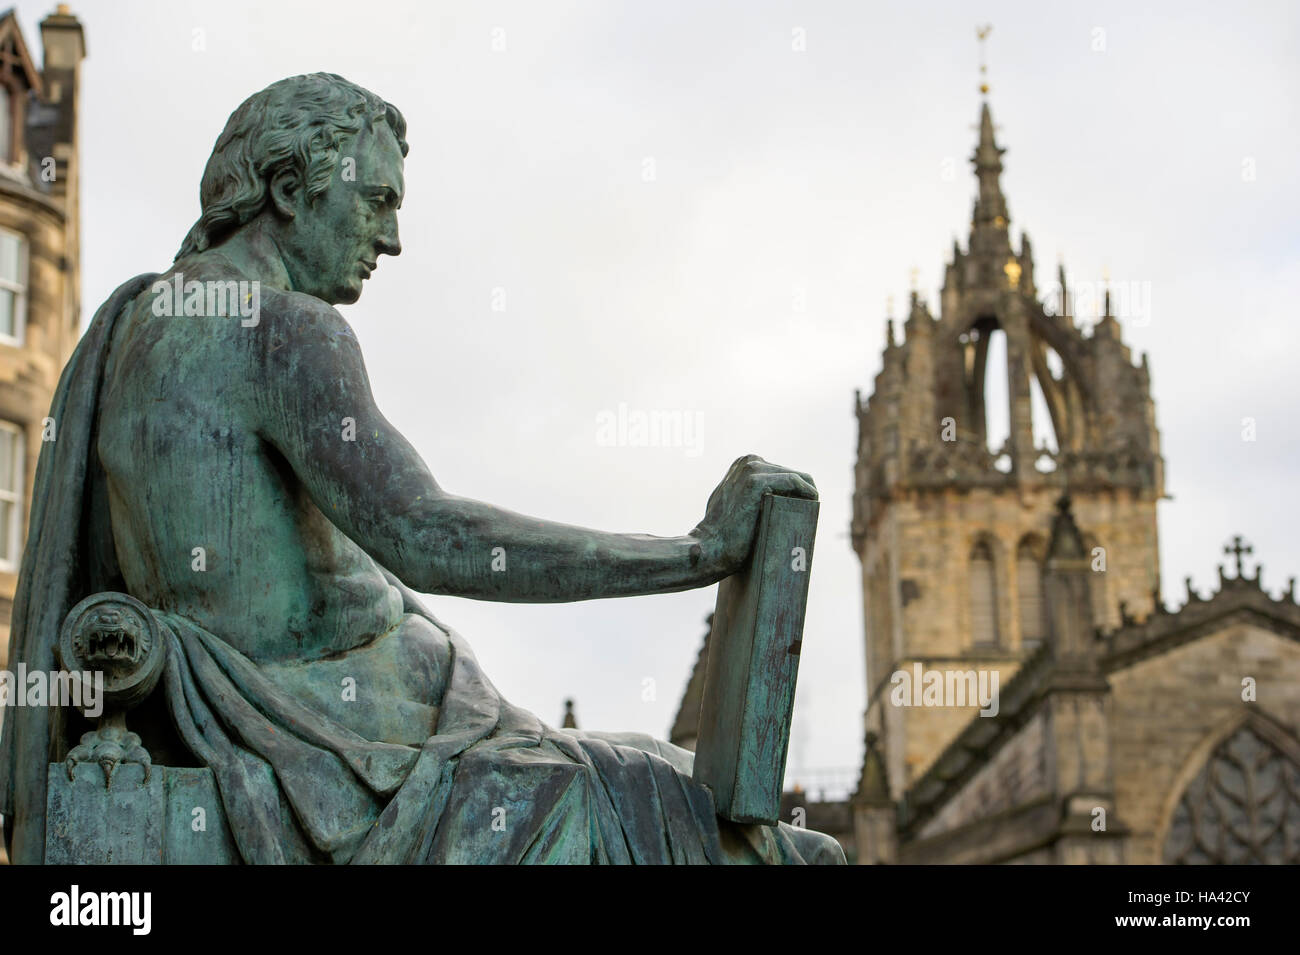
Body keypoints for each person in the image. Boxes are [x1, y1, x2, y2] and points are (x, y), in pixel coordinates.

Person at [0, 73, 843, 864]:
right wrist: (697, 553)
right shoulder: (282, 330)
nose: (393, 239)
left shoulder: (135, 330)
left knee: (662, 771)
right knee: (733, 830)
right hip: (336, 747)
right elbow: (430, 535)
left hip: (296, 719)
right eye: (377, 201)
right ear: (291, 192)